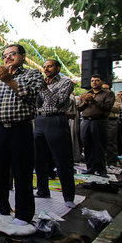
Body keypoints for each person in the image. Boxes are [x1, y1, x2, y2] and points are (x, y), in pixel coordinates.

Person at [0, 44, 43, 226]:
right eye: (5, 55)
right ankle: (2, 205)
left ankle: (23, 214)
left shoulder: (33, 74)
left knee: (22, 171)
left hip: (20, 129)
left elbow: (30, 94)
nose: (7, 58)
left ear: (23, 56)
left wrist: (8, 80)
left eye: (12, 54)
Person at [34, 60, 76, 208]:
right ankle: (42, 190)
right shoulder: (41, 82)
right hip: (39, 120)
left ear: (58, 67)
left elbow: (58, 102)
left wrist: (44, 88)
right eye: (44, 67)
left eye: (49, 66)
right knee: (39, 159)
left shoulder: (66, 83)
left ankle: (69, 196)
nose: (46, 69)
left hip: (56, 120)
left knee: (62, 159)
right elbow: (37, 103)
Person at [77, 74, 115, 177]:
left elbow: (107, 107)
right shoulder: (85, 94)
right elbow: (79, 108)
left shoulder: (108, 94)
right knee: (87, 145)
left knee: (99, 146)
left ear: (102, 82)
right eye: (92, 80)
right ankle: (90, 168)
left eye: (97, 80)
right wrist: (85, 102)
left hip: (99, 122)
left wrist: (93, 101)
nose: (94, 82)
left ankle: (101, 169)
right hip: (85, 121)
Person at [102, 83, 121, 167]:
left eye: (107, 89)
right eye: (103, 89)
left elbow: (117, 108)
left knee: (111, 142)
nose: (105, 91)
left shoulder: (116, 98)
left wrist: (107, 105)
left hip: (111, 120)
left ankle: (111, 163)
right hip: (101, 120)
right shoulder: (100, 96)